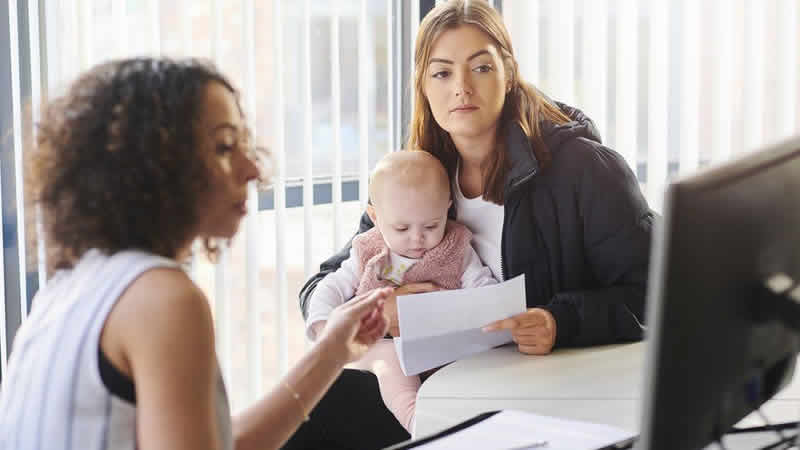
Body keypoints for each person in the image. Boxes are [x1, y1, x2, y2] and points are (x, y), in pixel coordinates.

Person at [290, 0, 654, 447]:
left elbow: (655, 292)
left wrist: (560, 321)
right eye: (442, 73)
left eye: (480, 68)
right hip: (437, 385)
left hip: (537, 394)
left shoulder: (584, 170)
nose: (461, 88)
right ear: (423, 86)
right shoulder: (418, 174)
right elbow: (331, 278)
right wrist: (378, 316)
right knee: (308, 418)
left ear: (508, 72)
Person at [0, 58, 392, 450]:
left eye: (243, 145)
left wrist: (332, 351)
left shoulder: (70, 288)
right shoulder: (163, 299)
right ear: (155, 168)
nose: (253, 169)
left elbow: (215, 443)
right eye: (224, 147)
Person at [305, 150, 496, 432]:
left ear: (447, 209)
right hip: (380, 345)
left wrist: (487, 312)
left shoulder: (456, 248)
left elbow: (483, 288)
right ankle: (415, 420)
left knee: (470, 366)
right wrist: (325, 328)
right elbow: (330, 286)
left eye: (431, 225)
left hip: (441, 346)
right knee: (389, 359)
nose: (417, 238)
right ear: (375, 216)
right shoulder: (367, 250)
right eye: (402, 228)